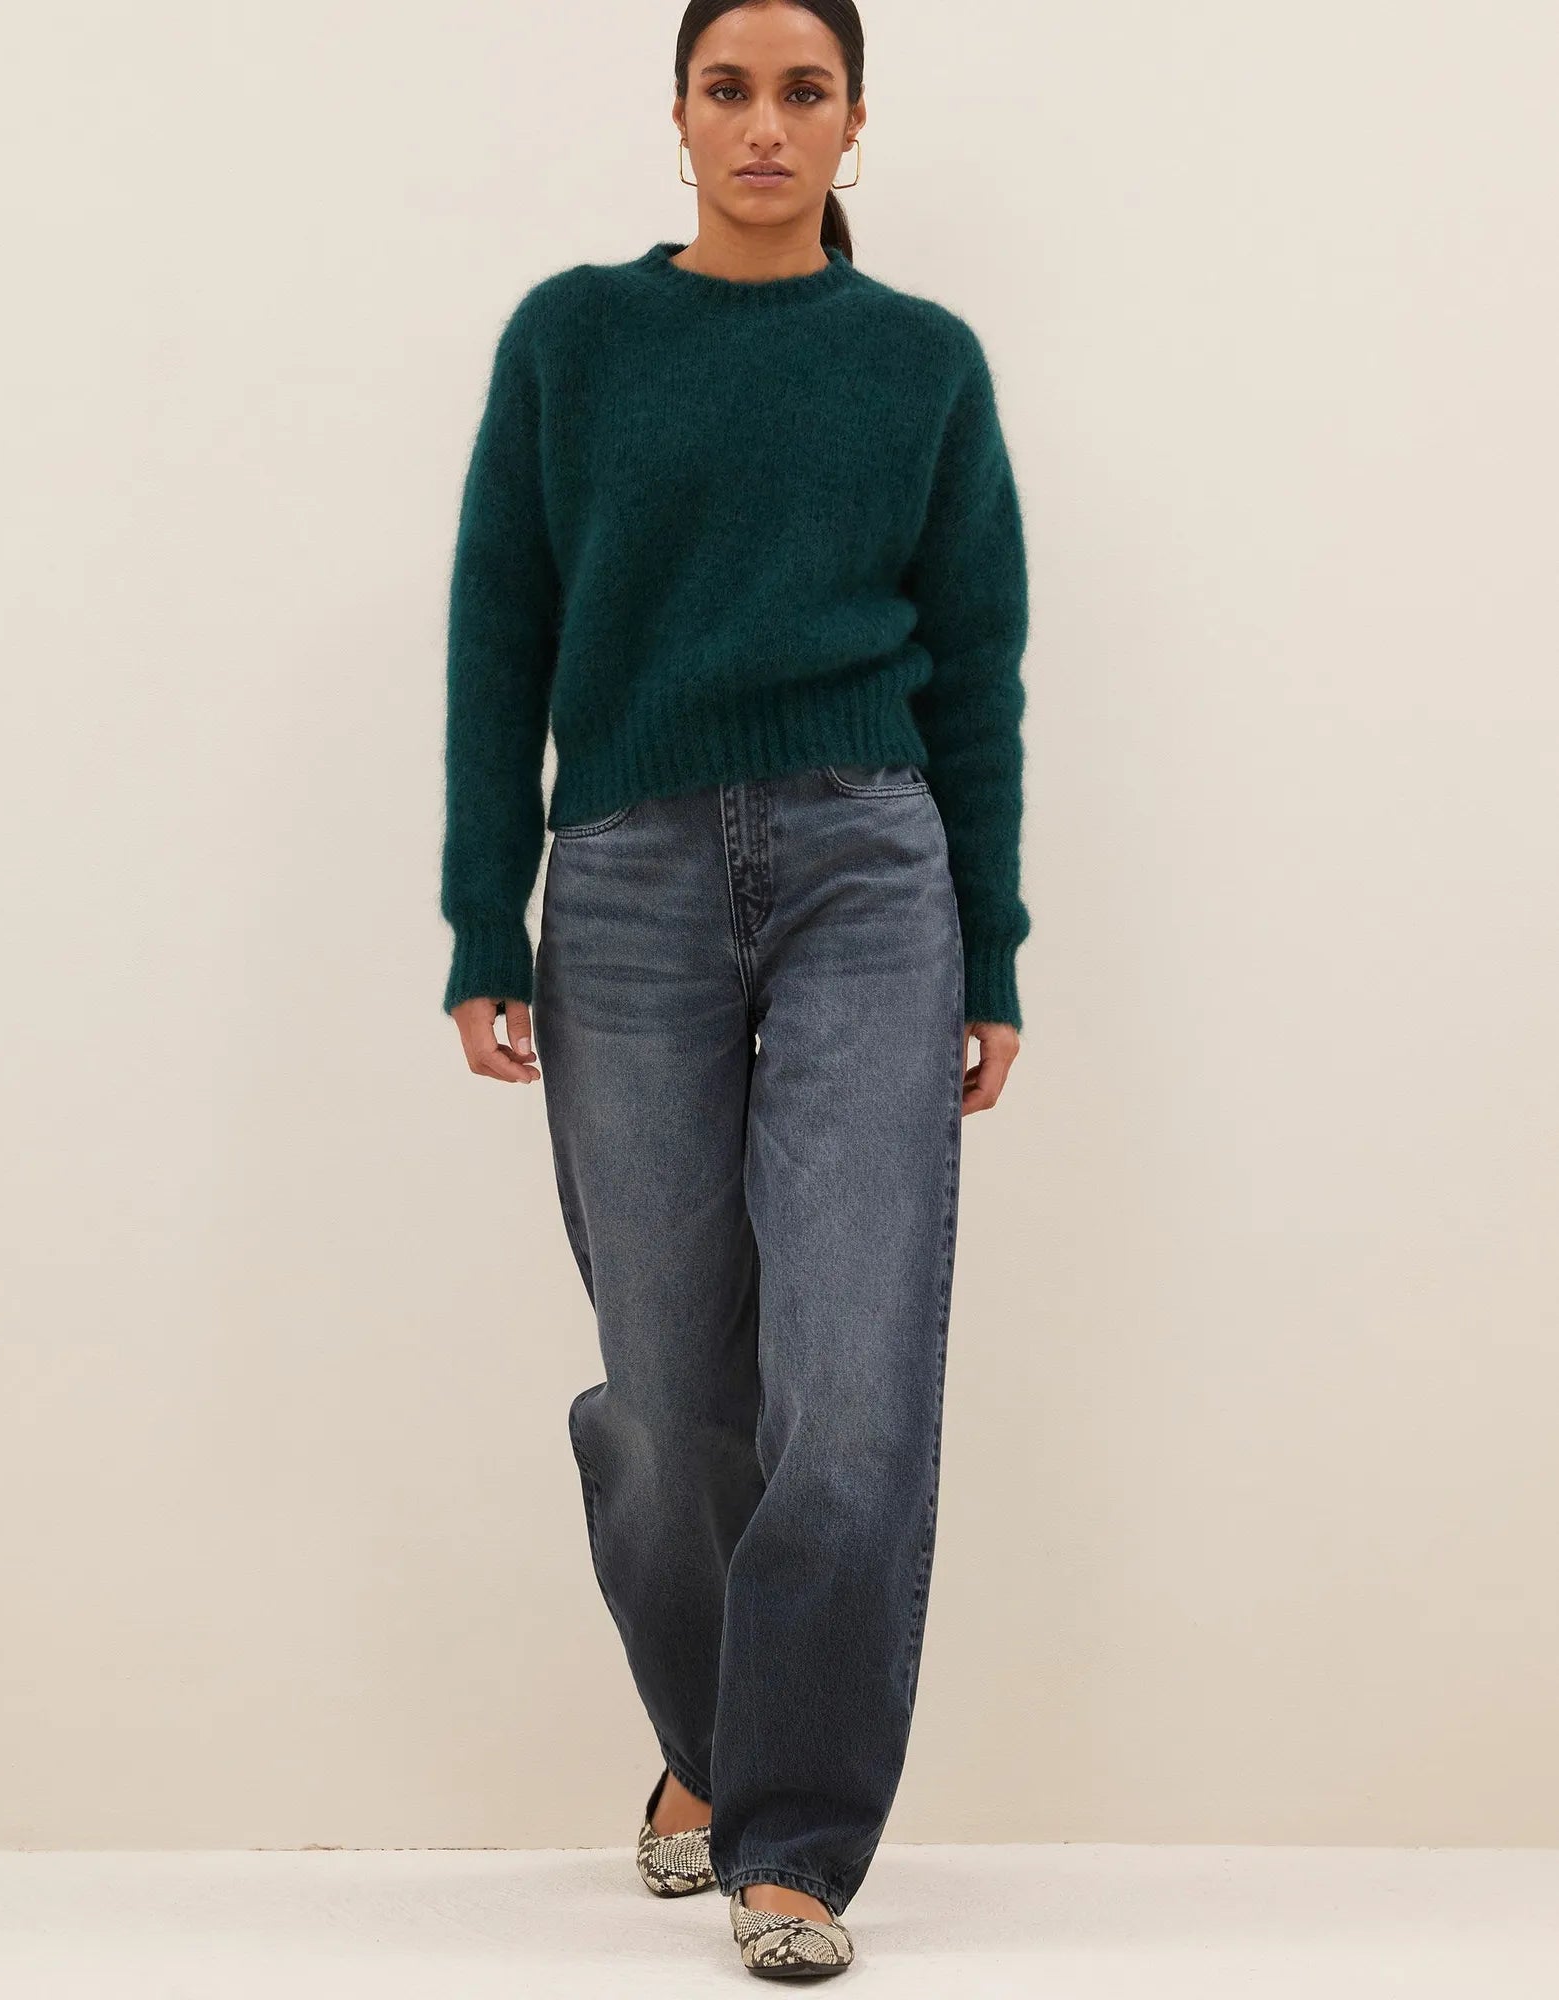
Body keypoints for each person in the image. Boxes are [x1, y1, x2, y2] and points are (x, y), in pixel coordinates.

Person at [439, 0, 1030, 1978]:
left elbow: (975, 668)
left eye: (802, 92)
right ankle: (706, 1739)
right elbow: (501, 627)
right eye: (728, 88)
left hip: (869, 868)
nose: (762, 124)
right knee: (670, 1391)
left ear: (853, 124)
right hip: (624, 881)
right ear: (679, 115)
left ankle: (795, 1842)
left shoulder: (919, 363)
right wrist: (480, 910)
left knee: (849, 1389)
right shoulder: (574, 340)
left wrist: (992, 943)